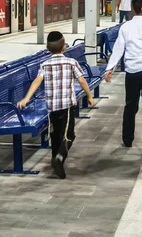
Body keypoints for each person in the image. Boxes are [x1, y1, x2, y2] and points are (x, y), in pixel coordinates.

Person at [17, 31, 95, 179]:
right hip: (67, 105)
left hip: (52, 106)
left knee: (56, 134)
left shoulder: (45, 64)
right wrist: (89, 96)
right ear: (64, 46)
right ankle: (59, 158)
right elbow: (82, 80)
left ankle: (56, 160)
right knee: (69, 135)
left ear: (48, 48)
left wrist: (26, 98)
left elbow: (37, 81)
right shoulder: (71, 62)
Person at [104, 0, 142, 159]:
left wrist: (110, 68)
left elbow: (119, 48)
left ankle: (127, 139)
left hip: (131, 72)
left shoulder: (125, 27)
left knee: (130, 106)